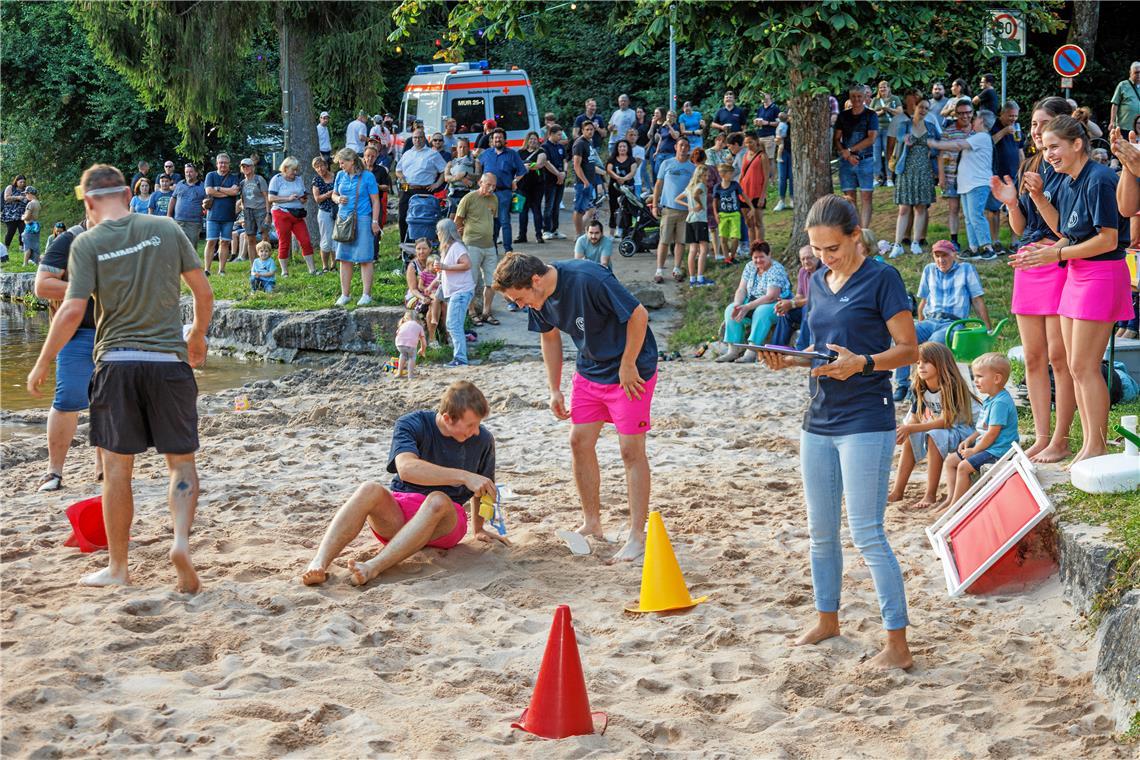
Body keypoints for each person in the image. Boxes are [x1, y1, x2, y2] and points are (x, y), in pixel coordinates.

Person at [26, 164, 213, 592]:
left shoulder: (86, 242)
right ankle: (181, 543)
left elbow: (73, 311)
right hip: (169, 362)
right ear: (128, 193)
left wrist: (42, 361)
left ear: (88, 201)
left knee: (116, 472)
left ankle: (118, 568)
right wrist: (198, 337)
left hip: (116, 361)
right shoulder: (166, 227)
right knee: (181, 464)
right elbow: (203, 293)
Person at [758, 195, 917, 671]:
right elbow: (817, 347)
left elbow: (908, 350)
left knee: (868, 534)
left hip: (867, 417)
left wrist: (863, 363)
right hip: (819, 417)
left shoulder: (883, 278)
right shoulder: (820, 282)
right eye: (816, 251)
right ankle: (827, 620)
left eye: (832, 248)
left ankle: (898, 645)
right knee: (820, 533)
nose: (824, 258)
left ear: (856, 235)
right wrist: (789, 357)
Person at [493, 253, 657, 563]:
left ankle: (637, 535)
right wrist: (554, 388)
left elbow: (639, 315)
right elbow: (550, 338)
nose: (519, 306)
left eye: (518, 298)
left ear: (535, 281)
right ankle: (592, 524)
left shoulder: (589, 279)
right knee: (578, 441)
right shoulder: (538, 299)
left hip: (631, 368)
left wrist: (628, 363)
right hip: (589, 370)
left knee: (630, 450)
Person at [1012, 114, 1134, 464]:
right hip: (1078, 273)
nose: (1048, 154)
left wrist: (1058, 253)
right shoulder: (1066, 181)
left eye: (1054, 147)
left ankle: (1095, 443)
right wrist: (1036, 198)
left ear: (1077, 144)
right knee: (1074, 365)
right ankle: (1087, 442)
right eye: (1044, 148)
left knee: (1083, 366)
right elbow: (1065, 230)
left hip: (1101, 274)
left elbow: (1108, 239)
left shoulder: (1098, 180)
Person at [301, 381, 504, 587]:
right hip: (398, 517)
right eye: (471, 425)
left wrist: (479, 529)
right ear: (447, 418)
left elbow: (484, 488)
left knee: (438, 500)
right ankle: (319, 563)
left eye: (478, 424)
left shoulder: (484, 440)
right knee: (369, 488)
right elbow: (406, 469)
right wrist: (464, 476)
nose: (476, 431)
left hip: (444, 523)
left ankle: (373, 566)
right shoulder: (411, 423)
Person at [989, 96, 1075, 463]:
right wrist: (1011, 203)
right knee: (1034, 357)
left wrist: (1038, 196)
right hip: (1028, 263)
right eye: (1035, 125)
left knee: (1060, 357)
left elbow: (1065, 229)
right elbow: (1023, 228)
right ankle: (1042, 436)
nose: (1036, 131)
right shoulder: (1030, 163)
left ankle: (1062, 438)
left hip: (1056, 260)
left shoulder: (1070, 167)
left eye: (1042, 124)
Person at [33, 218, 104, 492]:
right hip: (77, 332)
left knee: (110, 400)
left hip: (118, 332)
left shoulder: (128, 235)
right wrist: (88, 290)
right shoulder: (68, 240)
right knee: (67, 400)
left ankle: (103, 468)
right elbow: (42, 285)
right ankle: (54, 472)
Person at [892, 240, 991, 401]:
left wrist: (988, 328)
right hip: (930, 320)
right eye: (937, 256)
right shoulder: (929, 270)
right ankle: (902, 384)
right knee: (904, 336)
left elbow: (977, 300)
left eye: (944, 255)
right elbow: (923, 302)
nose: (941, 260)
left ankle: (918, 388)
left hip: (953, 324)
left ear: (954, 255)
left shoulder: (966, 269)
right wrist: (920, 323)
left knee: (931, 346)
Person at [888, 342, 979, 510]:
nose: (921, 366)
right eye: (918, 363)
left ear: (941, 363)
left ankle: (930, 495)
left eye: (926, 362)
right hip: (950, 429)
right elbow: (915, 416)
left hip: (972, 431)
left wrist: (911, 428)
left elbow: (947, 421)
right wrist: (904, 431)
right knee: (912, 435)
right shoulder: (920, 385)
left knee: (934, 435)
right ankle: (897, 491)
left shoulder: (950, 385)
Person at [942, 352, 1018, 507]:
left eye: (979, 376)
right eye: (974, 376)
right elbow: (983, 428)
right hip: (987, 445)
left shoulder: (1000, 403)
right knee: (951, 461)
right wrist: (970, 439)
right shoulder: (991, 398)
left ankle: (956, 507)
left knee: (963, 467)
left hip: (998, 450)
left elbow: (992, 434)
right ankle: (951, 499)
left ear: (996, 379)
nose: (975, 381)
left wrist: (974, 450)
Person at [928, 110, 998, 259]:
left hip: (977, 184)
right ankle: (974, 249)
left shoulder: (982, 137)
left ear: (982, 122)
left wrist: (935, 144)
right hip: (967, 184)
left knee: (976, 216)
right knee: (968, 217)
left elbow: (958, 144)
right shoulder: (976, 137)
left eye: (976, 118)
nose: (973, 120)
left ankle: (988, 248)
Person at [717, 241, 792, 362]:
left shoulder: (776, 269)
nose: (758, 260)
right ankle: (733, 349)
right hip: (753, 300)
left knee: (761, 312)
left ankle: (752, 350)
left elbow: (771, 296)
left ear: (769, 255)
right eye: (755, 257)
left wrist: (747, 307)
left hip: (776, 303)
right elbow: (741, 289)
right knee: (731, 309)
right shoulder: (750, 266)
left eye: (762, 256)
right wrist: (738, 304)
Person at [331, 147, 381, 307]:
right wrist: (338, 199)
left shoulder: (368, 176)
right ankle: (345, 294)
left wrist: (375, 222)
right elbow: (333, 194)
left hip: (363, 219)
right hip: (344, 219)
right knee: (344, 258)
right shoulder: (340, 175)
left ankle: (366, 294)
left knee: (365, 258)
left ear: (352, 161)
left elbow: (376, 201)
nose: (340, 165)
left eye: (342, 162)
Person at [889, 99, 938, 257]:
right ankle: (897, 244)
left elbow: (939, 143)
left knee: (920, 207)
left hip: (924, 170)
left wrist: (933, 148)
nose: (923, 110)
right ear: (915, 107)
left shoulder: (930, 127)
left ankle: (916, 242)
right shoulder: (905, 125)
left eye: (926, 108)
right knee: (903, 208)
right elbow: (900, 137)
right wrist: (905, 140)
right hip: (906, 170)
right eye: (921, 107)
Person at [455, 173, 500, 325]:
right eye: (488, 185)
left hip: (489, 245)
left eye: (494, 186)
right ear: (480, 182)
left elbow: (492, 219)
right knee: (471, 281)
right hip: (472, 244)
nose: (491, 189)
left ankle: (487, 312)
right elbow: (457, 221)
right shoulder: (469, 198)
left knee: (492, 281)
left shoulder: (494, 199)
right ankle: (472, 311)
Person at [834, 84, 880, 230]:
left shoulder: (871, 115)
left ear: (865, 97)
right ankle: (856, 229)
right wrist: (847, 155)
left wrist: (849, 150)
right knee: (850, 198)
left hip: (865, 159)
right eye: (853, 96)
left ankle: (865, 231)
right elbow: (836, 138)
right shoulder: (843, 115)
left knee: (866, 196)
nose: (856, 99)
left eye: (859, 96)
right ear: (850, 97)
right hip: (847, 162)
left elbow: (871, 138)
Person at [651, 137, 695, 284]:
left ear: (689, 148)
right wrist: (655, 205)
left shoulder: (692, 167)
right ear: (676, 147)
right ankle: (659, 270)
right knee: (664, 240)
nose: (683, 148)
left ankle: (676, 268)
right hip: (668, 209)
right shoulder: (666, 163)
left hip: (685, 210)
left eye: (686, 146)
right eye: (681, 145)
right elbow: (658, 184)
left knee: (680, 241)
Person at [477, 128, 526, 254]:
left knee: (504, 221)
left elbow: (522, 170)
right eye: (495, 138)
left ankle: (508, 250)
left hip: (504, 192)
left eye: (500, 137)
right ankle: (492, 249)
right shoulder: (487, 153)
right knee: (491, 222)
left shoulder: (512, 154)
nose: (497, 140)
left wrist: (515, 181)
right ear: (492, 140)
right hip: (487, 193)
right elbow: (477, 165)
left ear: (505, 140)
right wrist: (479, 180)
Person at [435, 218, 476, 367]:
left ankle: (460, 358)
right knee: (454, 324)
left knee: (453, 325)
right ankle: (460, 356)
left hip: (461, 291)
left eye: (439, 231)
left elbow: (467, 264)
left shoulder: (457, 246)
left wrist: (445, 267)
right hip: (457, 292)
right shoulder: (448, 248)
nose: (437, 234)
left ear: (444, 232)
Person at [395, 127, 446, 243]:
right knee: (403, 217)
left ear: (425, 139)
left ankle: (423, 246)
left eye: (420, 137)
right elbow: (398, 170)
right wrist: (402, 178)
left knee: (421, 219)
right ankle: (404, 245)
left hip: (424, 190)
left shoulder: (433, 154)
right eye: (415, 138)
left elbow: (444, 170)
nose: (417, 140)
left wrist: (436, 184)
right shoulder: (407, 153)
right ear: (412, 139)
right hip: (406, 188)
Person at [267, 156, 317, 277]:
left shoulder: (298, 179)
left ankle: (312, 269)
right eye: (293, 170)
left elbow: (303, 195)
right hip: (281, 213)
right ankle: (284, 271)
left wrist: (303, 198)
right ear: (285, 168)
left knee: (305, 241)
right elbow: (271, 198)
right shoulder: (277, 179)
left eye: (296, 170)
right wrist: (287, 198)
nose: (295, 172)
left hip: (297, 213)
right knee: (284, 242)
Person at [986, 101, 1023, 253]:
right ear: (1002, 114)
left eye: (1015, 116)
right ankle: (995, 241)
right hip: (996, 174)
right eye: (1010, 116)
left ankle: (1015, 242)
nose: (1013, 119)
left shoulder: (1017, 127)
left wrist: (1023, 170)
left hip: (1013, 175)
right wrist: (1004, 132)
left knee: (1013, 209)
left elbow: (1020, 149)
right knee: (993, 210)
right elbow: (989, 143)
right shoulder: (993, 126)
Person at [938, 99, 974, 251]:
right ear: (956, 114)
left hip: (972, 178)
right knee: (953, 209)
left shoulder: (977, 131)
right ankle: (954, 240)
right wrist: (941, 176)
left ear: (972, 113)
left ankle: (974, 242)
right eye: (961, 113)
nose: (965, 116)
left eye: (968, 113)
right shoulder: (949, 131)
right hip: (952, 176)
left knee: (970, 212)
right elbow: (941, 154)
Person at [772, 245, 822, 349]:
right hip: (807, 310)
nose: (806, 261)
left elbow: (818, 299)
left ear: (817, 257)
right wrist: (786, 303)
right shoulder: (803, 271)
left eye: (809, 257)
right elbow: (799, 295)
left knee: (806, 308)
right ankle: (776, 350)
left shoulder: (824, 271)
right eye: (803, 259)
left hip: (821, 311)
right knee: (785, 311)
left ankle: (801, 349)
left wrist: (792, 304)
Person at [676, 163, 713, 287]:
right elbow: (696, 195)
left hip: (690, 220)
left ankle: (692, 280)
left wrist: (689, 207)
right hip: (700, 220)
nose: (707, 177)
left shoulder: (689, 187)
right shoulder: (701, 185)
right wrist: (700, 205)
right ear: (700, 175)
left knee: (692, 250)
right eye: (705, 175)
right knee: (703, 250)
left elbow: (677, 199)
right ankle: (701, 278)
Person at [203, 153, 240, 276]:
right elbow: (208, 191)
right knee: (211, 242)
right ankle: (207, 269)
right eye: (220, 162)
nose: (223, 164)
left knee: (225, 242)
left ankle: (221, 270)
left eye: (225, 162)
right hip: (212, 215)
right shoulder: (211, 175)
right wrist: (227, 192)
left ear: (229, 164)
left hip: (228, 215)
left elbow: (235, 192)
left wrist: (217, 189)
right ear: (217, 164)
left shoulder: (234, 177)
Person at [710, 162, 751, 265]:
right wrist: (716, 214)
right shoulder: (717, 187)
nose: (732, 175)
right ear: (722, 174)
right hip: (722, 215)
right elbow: (714, 202)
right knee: (723, 238)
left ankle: (732, 256)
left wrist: (752, 207)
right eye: (730, 173)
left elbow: (744, 196)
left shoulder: (735, 185)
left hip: (735, 214)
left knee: (735, 237)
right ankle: (727, 258)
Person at [404, 238, 442, 346]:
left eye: (424, 248)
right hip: (416, 296)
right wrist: (423, 297)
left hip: (434, 293)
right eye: (418, 249)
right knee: (433, 303)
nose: (421, 251)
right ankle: (432, 339)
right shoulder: (413, 266)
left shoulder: (436, 262)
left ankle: (446, 336)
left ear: (430, 249)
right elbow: (413, 289)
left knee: (443, 304)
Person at [515, 131, 548, 245]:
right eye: (531, 139)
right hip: (522, 185)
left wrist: (527, 165)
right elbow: (516, 166)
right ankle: (521, 235)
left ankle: (539, 235)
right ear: (527, 140)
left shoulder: (542, 152)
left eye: (535, 139)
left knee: (536, 210)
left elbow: (539, 164)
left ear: (538, 140)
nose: (533, 141)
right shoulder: (520, 152)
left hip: (537, 185)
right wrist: (527, 165)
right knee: (522, 211)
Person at [361, 143, 392, 260]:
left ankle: (374, 255)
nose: (370, 158)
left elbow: (387, 187)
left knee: (375, 227)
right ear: (364, 156)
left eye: (372, 156)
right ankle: (362, 254)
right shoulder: (359, 169)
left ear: (377, 156)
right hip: (362, 203)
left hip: (376, 202)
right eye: (368, 156)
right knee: (362, 228)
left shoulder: (381, 170)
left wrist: (376, 186)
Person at [871, 81, 903, 186]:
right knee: (876, 155)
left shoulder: (895, 99)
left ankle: (889, 178)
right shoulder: (875, 100)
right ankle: (876, 178)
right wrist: (882, 112)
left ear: (889, 88)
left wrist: (888, 108)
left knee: (889, 154)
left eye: (884, 87)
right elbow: (870, 115)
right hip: (876, 130)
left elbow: (900, 112)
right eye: (880, 88)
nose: (882, 89)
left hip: (890, 130)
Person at [605, 138, 637, 243]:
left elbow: (633, 172)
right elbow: (609, 170)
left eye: (624, 146)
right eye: (620, 147)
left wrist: (624, 179)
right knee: (614, 209)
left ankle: (623, 231)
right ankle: (611, 233)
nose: (622, 148)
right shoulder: (612, 159)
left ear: (628, 148)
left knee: (627, 210)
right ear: (617, 148)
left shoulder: (632, 160)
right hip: (614, 187)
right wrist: (617, 177)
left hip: (627, 188)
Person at [572, 120, 600, 236]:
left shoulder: (590, 142)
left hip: (591, 181)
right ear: (582, 131)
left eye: (591, 129)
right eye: (587, 129)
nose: (589, 131)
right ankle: (578, 235)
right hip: (582, 183)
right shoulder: (579, 144)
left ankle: (582, 233)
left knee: (589, 210)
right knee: (579, 210)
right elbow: (576, 165)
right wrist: (585, 182)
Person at [310, 156, 338, 273]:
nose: (320, 169)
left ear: (326, 165)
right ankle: (324, 266)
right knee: (326, 239)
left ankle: (334, 265)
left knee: (337, 238)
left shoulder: (336, 176)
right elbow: (317, 198)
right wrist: (329, 194)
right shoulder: (316, 180)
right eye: (317, 167)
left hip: (337, 210)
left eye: (321, 166)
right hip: (324, 211)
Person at [739, 133, 768, 244]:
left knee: (758, 222)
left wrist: (762, 196)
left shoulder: (762, 156)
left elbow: (766, 178)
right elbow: (742, 174)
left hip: (757, 193)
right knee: (749, 223)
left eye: (750, 142)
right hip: (745, 194)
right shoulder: (746, 155)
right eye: (746, 142)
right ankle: (752, 247)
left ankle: (760, 245)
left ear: (756, 141)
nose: (748, 145)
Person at [168, 163, 206, 246]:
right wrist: (169, 215)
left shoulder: (202, 186)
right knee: (177, 246)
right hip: (178, 221)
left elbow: (207, 202)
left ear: (196, 173)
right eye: (186, 172)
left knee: (191, 247)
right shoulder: (180, 184)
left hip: (194, 223)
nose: (188, 174)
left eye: (191, 172)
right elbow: (173, 199)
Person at [541, 125, 568, 240]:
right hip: (550, 180)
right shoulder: (545, 147)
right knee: (549, 205)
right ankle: (546, 230)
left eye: (561, 135)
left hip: (561, 179)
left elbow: (565, 160)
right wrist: (558, 174)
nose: (560, 137)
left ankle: (555, 229)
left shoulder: (560, 147)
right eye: (558, 135)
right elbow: (546, 163)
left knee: (556, 205)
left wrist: (564, 173)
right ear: (551, 134)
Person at [444, 137, 479, 218]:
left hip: (469, 194)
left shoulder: (475, 162)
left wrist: (465, 174)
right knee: (452, 220)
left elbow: (478, 176)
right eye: (460, 147)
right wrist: (460, 177)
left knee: (468, 220)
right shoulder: (450, 163)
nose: (462, 149)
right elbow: (446, 178)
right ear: (457, 148)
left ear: (468, 148)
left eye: (464, 147)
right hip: (454, 195)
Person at [753, 91, 781, 180]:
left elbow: (779, 123)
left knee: (770, 158)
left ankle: (772, 180)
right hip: (760, 135)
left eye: (763, 94)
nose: (761, 96)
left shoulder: (775, 108)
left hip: (770, 136)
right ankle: (763, 178)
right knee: (761, 158)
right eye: (760, 94)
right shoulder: (760, 108)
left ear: (769, 95)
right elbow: (758, 121)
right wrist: (756, 122)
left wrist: (767, 123)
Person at [394, 310, 427, 379]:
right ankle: (410, 376)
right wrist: (422, 350)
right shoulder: (419, 327)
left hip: (399, 344)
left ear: (406, 318)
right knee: (412, 357)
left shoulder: (402, 325)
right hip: (410, 346)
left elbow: (397, 333)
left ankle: (399, 373)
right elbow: (424, 342)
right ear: (418, 319)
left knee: (403, 355)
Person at [1110, 61, 1140, 133]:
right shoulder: (1123, 85)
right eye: (1136, 72)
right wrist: (1112, 122)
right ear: (1130, 72)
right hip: (1124, 127)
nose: (1139, 75)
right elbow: (1115, 104)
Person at [773, 112, 793, 212]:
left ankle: (793, 199)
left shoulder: (795, 126)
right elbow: (777, 137)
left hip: (793, 152)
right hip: (784, 152)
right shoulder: (783, 124)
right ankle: (781, 200)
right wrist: (777, 140)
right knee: (782, 178)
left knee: (792, 176)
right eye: (789, 115)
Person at [3, 175, 28, 250]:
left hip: (22, 214)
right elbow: (6, 198)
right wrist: (17, 197)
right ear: (16, 181)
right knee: (11, 231)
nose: (22, 183)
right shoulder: (10, 187)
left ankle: (21, 247)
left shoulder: (26, 189)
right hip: (10, 214)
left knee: (23, 231)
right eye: (21, 182)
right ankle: (6, 248)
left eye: (24, 182)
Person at [20, 186, 41, 265]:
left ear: (29, 193)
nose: (25, 196)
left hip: (29, 226)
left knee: (27, 245)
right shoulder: (38, 203)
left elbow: (27, 216)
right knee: (35, 245)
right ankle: (37, 262)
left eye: (26, 194)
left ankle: (25, 263)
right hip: (36, 226)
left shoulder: (30, 204)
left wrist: (23, 217)